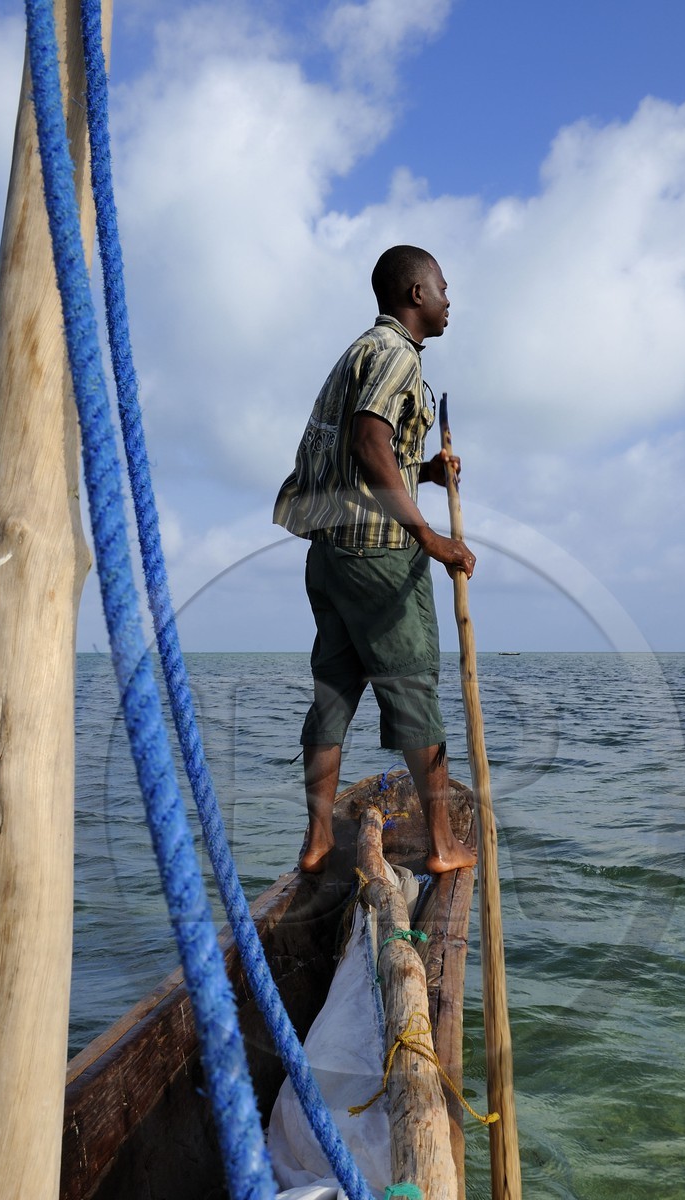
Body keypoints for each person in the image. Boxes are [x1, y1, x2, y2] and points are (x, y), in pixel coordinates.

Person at [274, 245, 477, 874]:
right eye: (443, 287)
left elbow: (364, 459)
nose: (450, 299)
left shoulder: (359, 352)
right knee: (415, 692)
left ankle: (317, 841)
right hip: (379, 557)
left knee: (332, 698)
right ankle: (443, 847)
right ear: (416, 294)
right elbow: (367, 443)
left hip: (331, 556)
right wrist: (429, 537)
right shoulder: (395, 354)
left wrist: (425, 472)